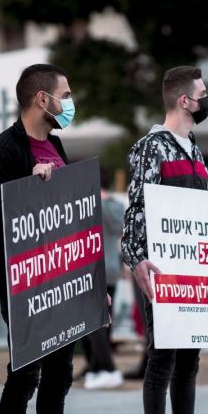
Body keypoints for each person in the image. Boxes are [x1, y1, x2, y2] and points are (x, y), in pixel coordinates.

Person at [0, 64, 102, 414]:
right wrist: (28, 186)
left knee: (59, 376)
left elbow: (69, 219)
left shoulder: (56, 145)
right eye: (64, 94)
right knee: (24, 377)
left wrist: (90, 281)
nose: (69, 102)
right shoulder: (4, 150)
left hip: (62, 281)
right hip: (23, 286)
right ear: (41, 99)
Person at [121, 65, 208, 414]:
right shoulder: (153, 147)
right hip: (161, 271)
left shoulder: (193, 150)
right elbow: (137, 208)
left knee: (189, 359)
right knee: (162, 358)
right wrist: (136, 260)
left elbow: (207, 217)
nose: (206, 100)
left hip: (193, 273)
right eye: (202, 94)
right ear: (185, 101)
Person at [81, 167, 125, 390]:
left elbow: (117, 228)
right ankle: (94, 365)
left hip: (97, 268)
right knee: (100, 321)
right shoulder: (114, 205)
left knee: (96, 322)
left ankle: (106, 367)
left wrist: (100, 200)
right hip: (109, 268)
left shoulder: (101, 204)